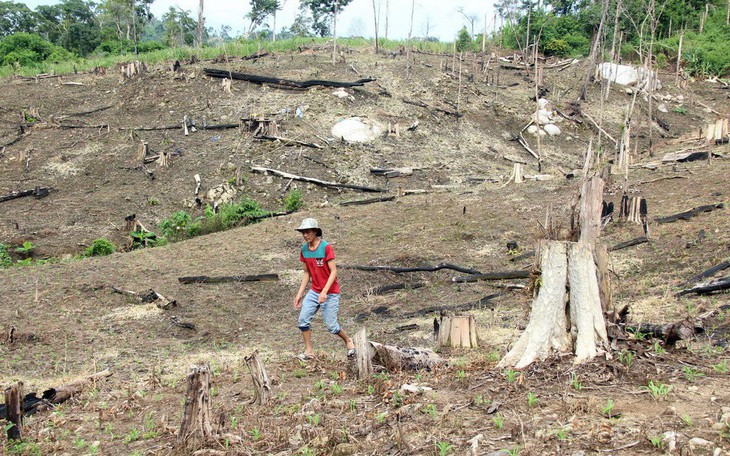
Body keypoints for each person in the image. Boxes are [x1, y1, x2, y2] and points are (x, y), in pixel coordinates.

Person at [293, 218, 355, 359]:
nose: (305, 235)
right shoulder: (304, 250)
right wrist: (299, 294)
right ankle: (309, 351)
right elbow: (307, 273)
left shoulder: (326, 247)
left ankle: (348, 341)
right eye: (303, 232)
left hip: (330, 292)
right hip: (315, 291)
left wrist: (325, 291)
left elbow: (333, 271)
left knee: (331, 326)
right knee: (303, 321)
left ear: (315, 232)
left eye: (307, 232)